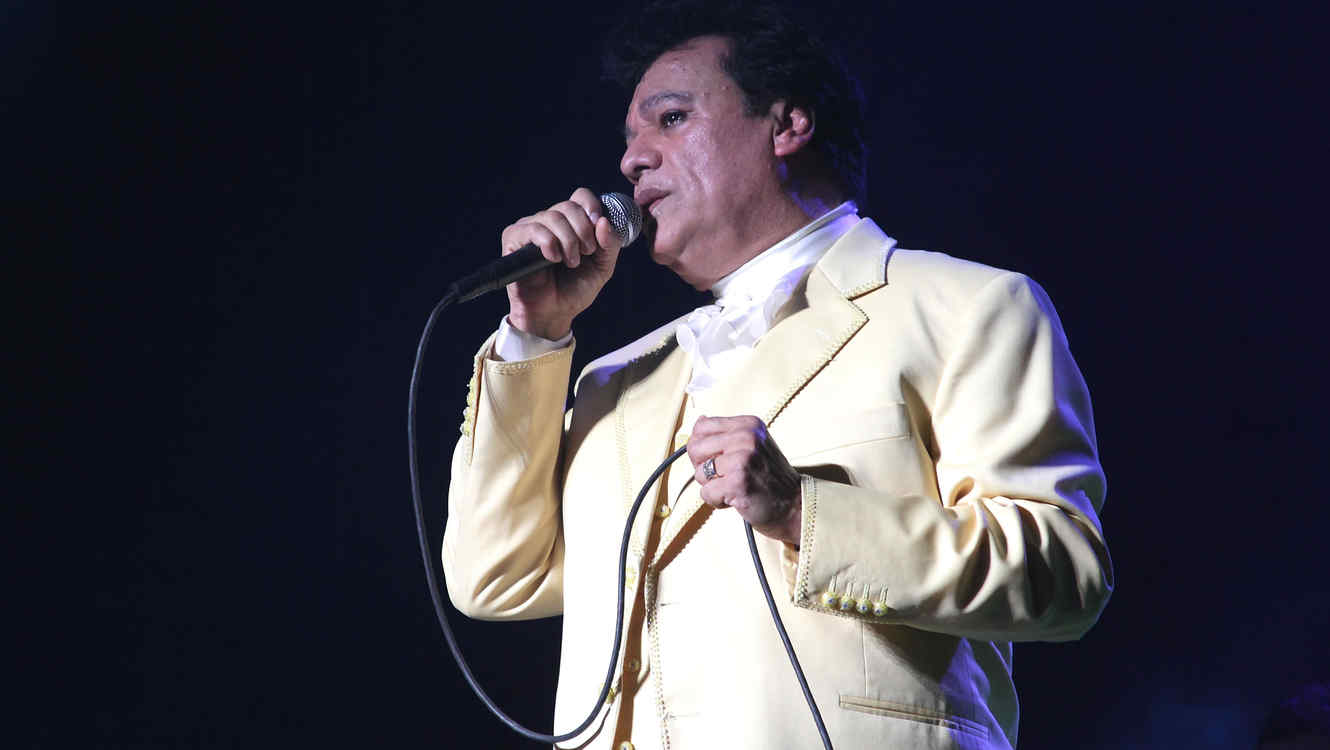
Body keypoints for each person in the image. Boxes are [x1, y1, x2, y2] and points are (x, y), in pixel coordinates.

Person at [442, 2, 1112, 748]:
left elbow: (1065, 572)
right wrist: (536, 338)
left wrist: (803, 513)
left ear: (787, 124)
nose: (631, 162)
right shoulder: (614, 378)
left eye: (669, 120)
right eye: (628, 141)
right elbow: (495, 577)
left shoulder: (964, 306)